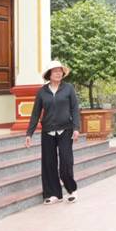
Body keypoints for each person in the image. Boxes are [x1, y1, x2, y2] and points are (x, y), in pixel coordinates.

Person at [25, 60, 81, 204]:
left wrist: (76, 128)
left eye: (60, 71)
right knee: (49, 163)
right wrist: (29, 133)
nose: (58, 73)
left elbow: (75, 109)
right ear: (49, 74)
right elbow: (35, 113)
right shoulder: (42, 92)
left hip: (65, 130)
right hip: (48, 131)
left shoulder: (68, 88)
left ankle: (71, 190)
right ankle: (54, 194)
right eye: (55, 71)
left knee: (66, 162)